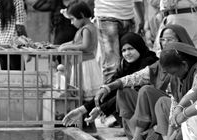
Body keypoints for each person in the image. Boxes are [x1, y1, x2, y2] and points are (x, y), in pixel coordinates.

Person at [93, 24, 195, 140]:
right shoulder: (160, 63)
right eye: (163, 39)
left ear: (181, 40)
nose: (165, 43)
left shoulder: (189, 62)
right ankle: (136, 139)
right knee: (123, 91)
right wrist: (107, 88)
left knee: (147, 91)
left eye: (170, 39)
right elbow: (134, 78)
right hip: (159, 108)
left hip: (181, 107)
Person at [62, 32, 158, 129]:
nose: (127, 53)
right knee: (114, 92)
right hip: (139, 108)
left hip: (152, 106)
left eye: (130, 49)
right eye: (124, 50)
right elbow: (110, 89)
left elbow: (129, 91)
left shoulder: (149, 62)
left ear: (139, 47)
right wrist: (82, 110)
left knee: (123, 94)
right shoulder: (125, 65)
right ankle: (133, 136)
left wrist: (101, 109)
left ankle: (137, 137)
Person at [58, 1, 102, 132]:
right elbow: (75, 42)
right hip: (81, 64)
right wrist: (64, 45)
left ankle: (88, 124)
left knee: (85, 95)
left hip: (86, 65)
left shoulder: (87, 28)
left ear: (82, 15)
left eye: (72, 19)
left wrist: (67, 46)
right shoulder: (85, 28)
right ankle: (83, 122)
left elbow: (85, 46)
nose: (71, 22)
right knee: (81, 95)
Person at [94, 0, 145, 84]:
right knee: (112, 64)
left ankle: (125, 94)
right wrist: (141, 17)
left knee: (130, 61)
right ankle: (110, 95)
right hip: (107, 15)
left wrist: (141, 18)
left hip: (128, 16)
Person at [0, 0, 27, 70]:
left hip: (0, 43)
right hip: (13, 45)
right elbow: (19, 27)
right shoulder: (18, 1)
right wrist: (27, 43)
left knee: (6, 76)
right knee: (19, 76)